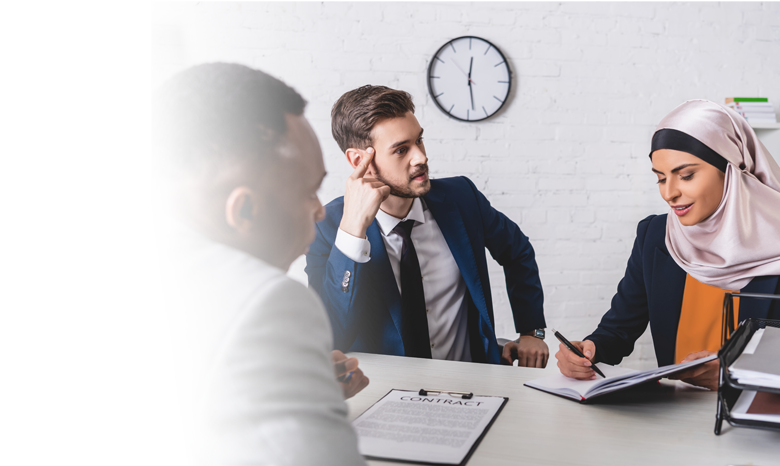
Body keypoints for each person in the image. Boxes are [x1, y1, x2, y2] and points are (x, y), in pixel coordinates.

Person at [152, 63, 367, 466]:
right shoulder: (259, 306)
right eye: (309, 193)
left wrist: (284, 392)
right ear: (244, 209)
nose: (320, 212)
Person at [305, 85, 550, 367]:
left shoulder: (461, 198)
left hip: (471, 383)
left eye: (419, 141)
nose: (421, 157)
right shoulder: (327, 227)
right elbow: (334, 335)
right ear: (361, 161)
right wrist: (352, 231)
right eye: (401, 150)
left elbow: (517, 250)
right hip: (382, 395)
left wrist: (532, 330)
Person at [556, 100, 780, 390]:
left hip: (758, 421)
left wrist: (737, 373)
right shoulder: (655, 236)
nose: (669, 193)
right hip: (673, 417)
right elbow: (617, 330)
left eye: (686, 175)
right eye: (660, 178)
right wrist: (588, 351)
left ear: (732, 169)